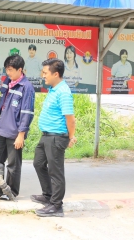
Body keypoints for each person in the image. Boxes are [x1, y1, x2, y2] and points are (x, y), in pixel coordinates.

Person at [0, 55, 35, 200]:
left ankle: (10, 192)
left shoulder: (26, 87)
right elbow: (2, 106)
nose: (8, 73)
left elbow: (27, 113)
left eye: (10, 70)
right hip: (1, 129)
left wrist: (21, 134)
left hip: (15, 133)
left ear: (20, 70)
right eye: (6, 70)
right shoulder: (7, 82)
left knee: (13, 164)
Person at [31, 58, 77, 217]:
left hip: (56, 137)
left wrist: (71, 137)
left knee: (55, 172)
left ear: (56, 74)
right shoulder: (54, 89)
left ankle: (56, 206)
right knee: (38, 163)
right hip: (47, 136)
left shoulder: (63, 92)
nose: (43, 75)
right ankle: (48, 195)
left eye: (45, 73)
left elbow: (70, 119)